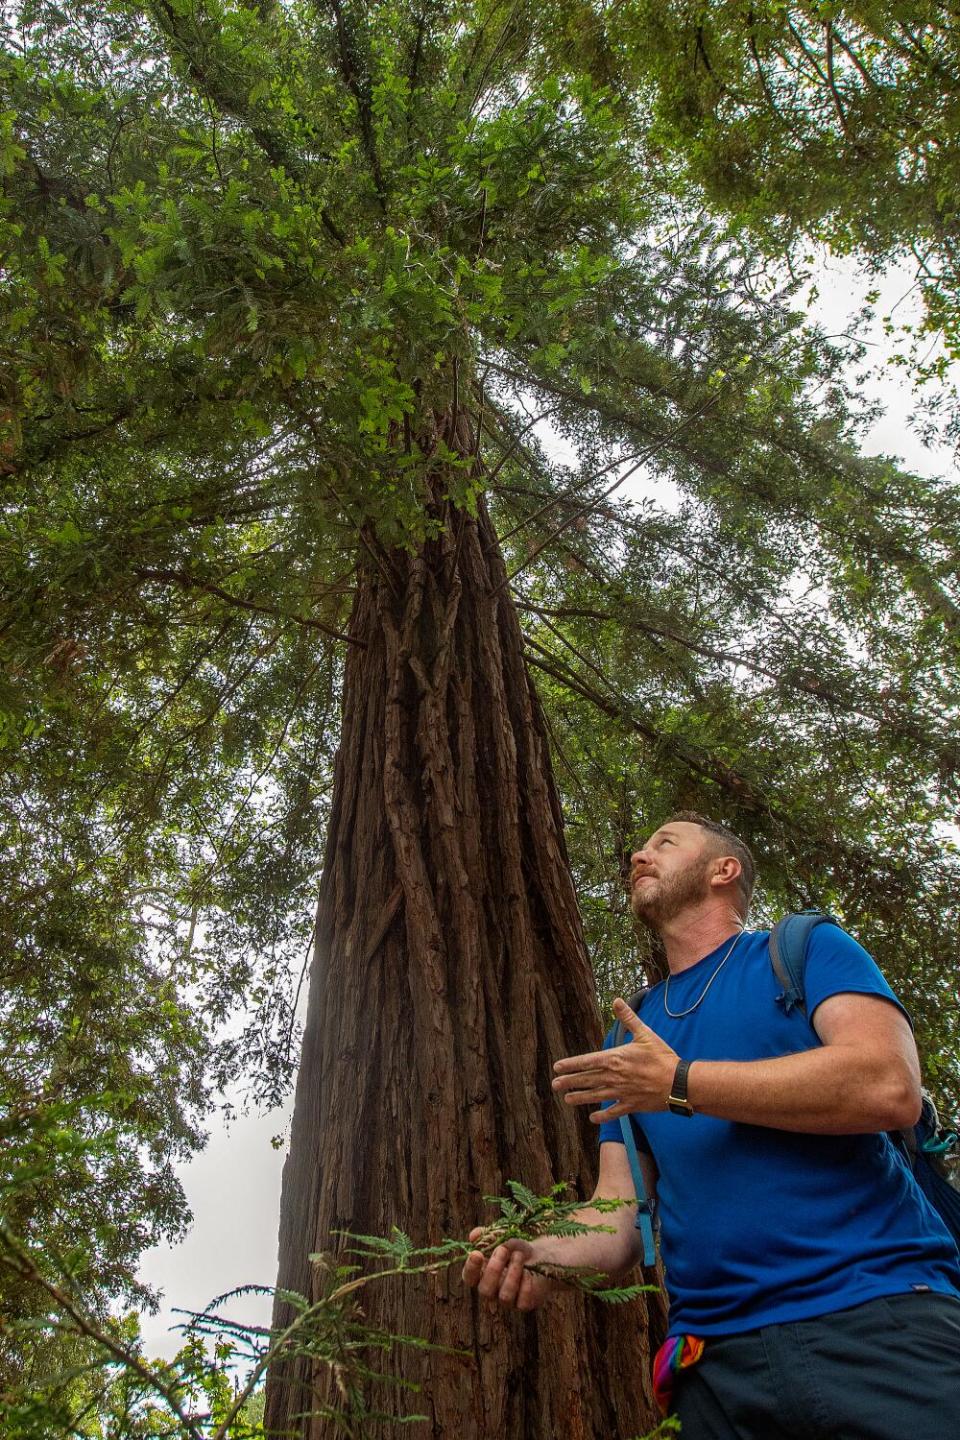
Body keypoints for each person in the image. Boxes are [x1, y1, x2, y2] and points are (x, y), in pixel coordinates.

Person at [462, 812, 960, 1439]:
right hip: (715, 1370)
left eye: (664, 843)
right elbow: (616, 1216)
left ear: (724, 870)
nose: (641, 856)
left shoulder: (802, 951)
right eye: (638, 848)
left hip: (877, 1322)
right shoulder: (633, 1031)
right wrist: (540, 1252)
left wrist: (679, 1083)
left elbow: (887, 1086)